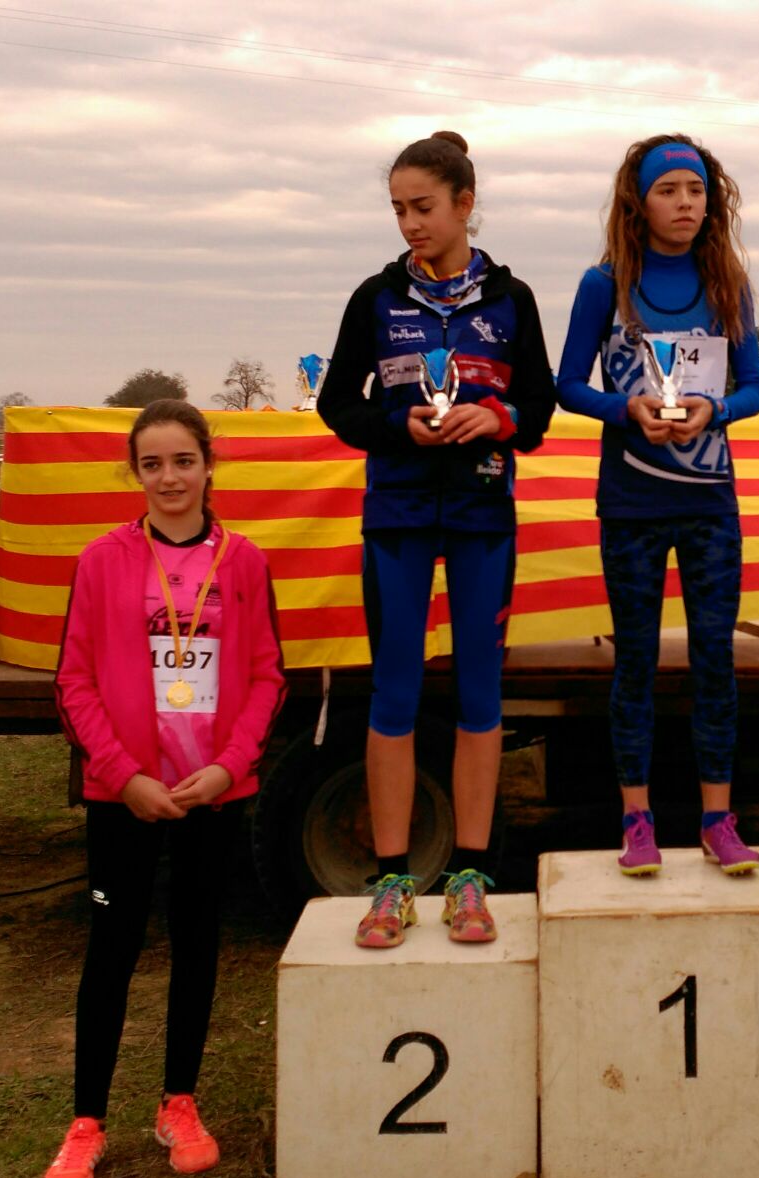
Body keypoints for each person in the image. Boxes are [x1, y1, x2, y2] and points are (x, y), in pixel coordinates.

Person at [319, 131, 555, 947]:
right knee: (394, 692)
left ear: (464, 202)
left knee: (480, 694)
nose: (410, 223)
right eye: (398, 210)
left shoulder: (511, 299)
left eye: (422, 207)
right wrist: (399, 426)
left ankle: (471, 877)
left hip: (483, 512)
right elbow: (336, 405)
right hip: (399, 513)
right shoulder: (375, 298)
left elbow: (540, 407)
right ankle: (392, 880)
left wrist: (498, 418)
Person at [46, 400, 287, 1178]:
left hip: (211, 792)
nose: (170, 477)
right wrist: (125, 776)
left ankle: (178, 1099)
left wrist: (229, 767)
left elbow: (267, 676)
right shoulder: (102, 559)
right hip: (127, 796)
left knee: (196, 942)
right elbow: (74, 680)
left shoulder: (243, 560)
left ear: (209, 465)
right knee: (112, 947)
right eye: (152, 464)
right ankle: (86, 1121)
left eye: (183, 460)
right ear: (135, 473)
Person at [556, 134, 759, 876]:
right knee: (636, 662)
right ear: (637, 203)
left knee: (715, 659)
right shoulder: (603, 285)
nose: (685, 203)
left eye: (696, 190)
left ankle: (717, 818)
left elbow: (754, 388)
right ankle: (637, 819)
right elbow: (567, 385)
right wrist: (626, 408)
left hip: (710, 504)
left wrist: (716, 409)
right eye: (668, 190)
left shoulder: (727, 282)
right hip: (631, 504)